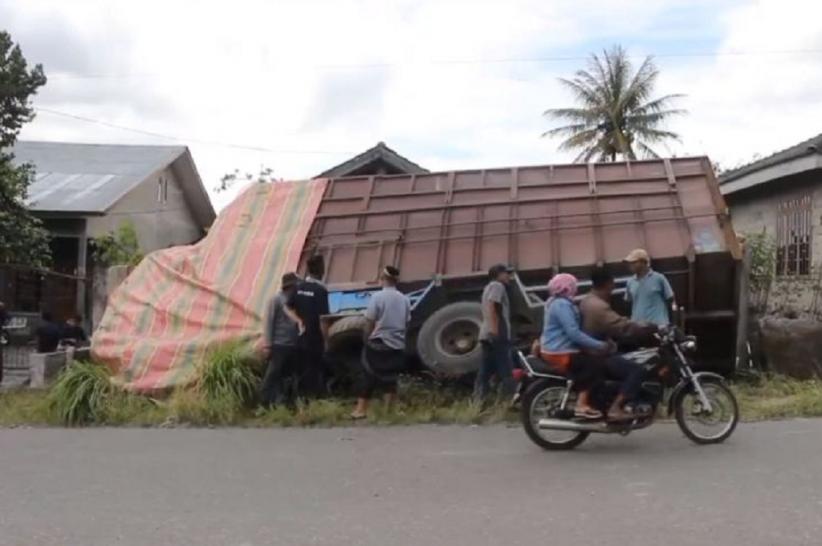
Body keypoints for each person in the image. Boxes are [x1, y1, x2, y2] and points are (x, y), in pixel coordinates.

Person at [581, 267, 657, 420]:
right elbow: (622, 326)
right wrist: (648, 327)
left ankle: (628, 400)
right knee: (638, 370)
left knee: (628, 357)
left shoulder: (587, 300)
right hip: (599, 355)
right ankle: (615, 408)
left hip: (595, 351)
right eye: (612, 283)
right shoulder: (598, 306)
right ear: (609, 283)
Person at [540, 273, 613, 419]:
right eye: (573, 285)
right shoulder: (562, 305)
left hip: (556, 349)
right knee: (594, 365)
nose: (576, 288)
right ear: (567, 288)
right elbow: (573, 333)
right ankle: (581, 404)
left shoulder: (555, 302)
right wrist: (599, 345)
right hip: (560, 352)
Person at [351, 266, 411, 420]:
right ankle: (389, 412)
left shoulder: (377, 297)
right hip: (397, 344)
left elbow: (369, 320)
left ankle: (361, 410)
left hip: (379, 342)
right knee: (390, 377)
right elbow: (407, 322)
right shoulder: (404, 299)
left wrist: (366, 338)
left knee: (368, 373)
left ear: (383, 278)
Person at [286, 255, 330, 398]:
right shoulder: (320, 291)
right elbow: (323, 318)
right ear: (321, 270)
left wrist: (299, 321)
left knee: (300, 370)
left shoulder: (298, 288)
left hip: (299, 337)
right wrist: (326, 341)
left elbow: (287, 307)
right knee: (314, 370)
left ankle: (299, 399)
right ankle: (313, 399)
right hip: (314, 338)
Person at [474, 263, 516, 403]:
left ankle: (478, 401)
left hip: (487, 334)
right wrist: (495, 330)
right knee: (506, 369)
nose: (508, 276)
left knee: (485, 371)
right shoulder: (497, 286)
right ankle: (510, 401)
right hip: (497, 333)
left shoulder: (488, 287)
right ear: (498, 274)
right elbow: (492, 306)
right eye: (506, 273)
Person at [261, 272, 301, 408]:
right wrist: (267, 345)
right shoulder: (276, 299)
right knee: (273, 375)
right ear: (290, 286)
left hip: (291, 344)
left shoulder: (293, 301)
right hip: (278, 344)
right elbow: (268, 322)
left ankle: (283, 403)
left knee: (286, 376)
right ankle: (264, 403)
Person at [624, 249, 675, 326]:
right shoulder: (630, 282)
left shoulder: (659, 278)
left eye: (633, 262)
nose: (630, 265)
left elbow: (670, 298)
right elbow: (629, 301)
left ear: (643, 262)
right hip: (638, 327)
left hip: (659, 326)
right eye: (629, 263)